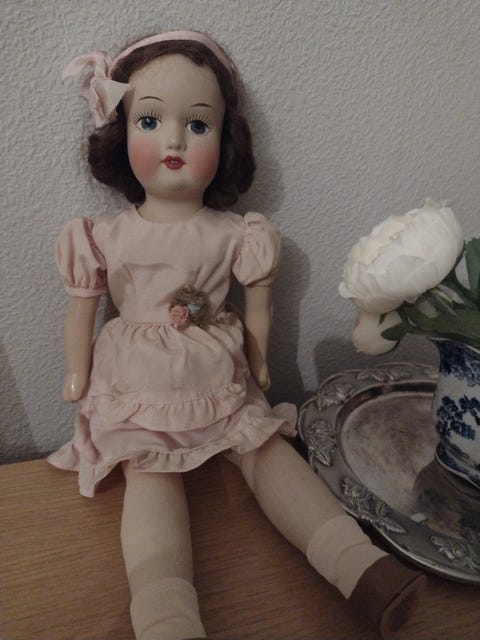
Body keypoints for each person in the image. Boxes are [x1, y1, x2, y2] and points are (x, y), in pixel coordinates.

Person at [49, 30, 425, 640]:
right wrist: (77, 374)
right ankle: (166, 618)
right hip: (139, 380)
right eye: (150, 120)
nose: (174, 140)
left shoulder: (239, 234)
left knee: (264, 448)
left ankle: (360, 567)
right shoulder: (102, 235)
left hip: (219, 372)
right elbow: (81, 312)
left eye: (198, 125)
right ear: (122, 132)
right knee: (150, 471)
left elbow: (257, 309)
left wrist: (260, 362)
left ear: (224, 141)